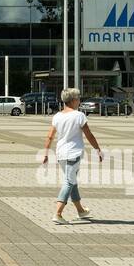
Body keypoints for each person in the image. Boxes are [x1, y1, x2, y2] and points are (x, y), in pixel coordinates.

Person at [38, 86, 104, 224]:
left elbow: (50, 136)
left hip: (61, 153)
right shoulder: (79, 115)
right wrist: (97, 149)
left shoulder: (57, 116)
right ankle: (58, 213)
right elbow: (89, 135)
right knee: (69, 181)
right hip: (73, 153)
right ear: (73, 100)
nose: (79, 101)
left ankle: (81, 210)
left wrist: (45, 153)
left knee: (72, 181)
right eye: (78, 98)